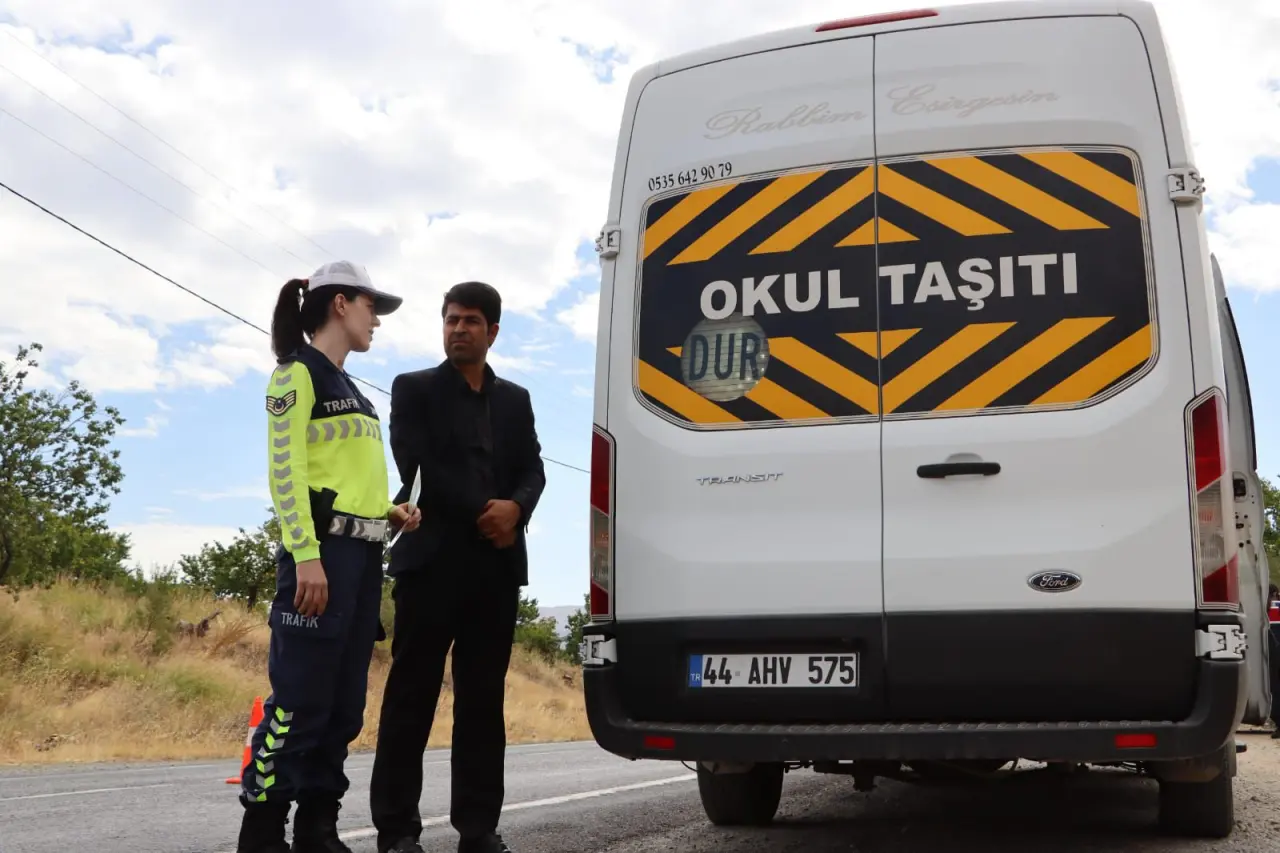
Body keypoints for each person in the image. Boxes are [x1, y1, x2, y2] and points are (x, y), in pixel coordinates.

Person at [236, 261, 423, 853]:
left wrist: (389, 511)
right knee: (299, 702)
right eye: (373, 308)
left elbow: (342, 477)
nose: (377, 322)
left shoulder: (353, 390)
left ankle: (318, 827)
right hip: (320, 560)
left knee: (343, 706)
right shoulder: (296, 375)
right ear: (340, 304)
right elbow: (286, 474)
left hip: (364, 560)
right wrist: (307, 557)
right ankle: (262, 830)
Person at [369, 281, 546, 853]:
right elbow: (418, 464)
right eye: (450, 319)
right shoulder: (414, 388)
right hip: (431, 563)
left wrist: (517, 508)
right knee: (410, 699)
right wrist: (487, 512)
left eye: (470, 321)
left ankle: (479, 830)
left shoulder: (515, 399)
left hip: (495, 570)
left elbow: (533, 468)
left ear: (492, 331)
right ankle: (397, 832)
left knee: (481, 704)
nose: (458, 329)